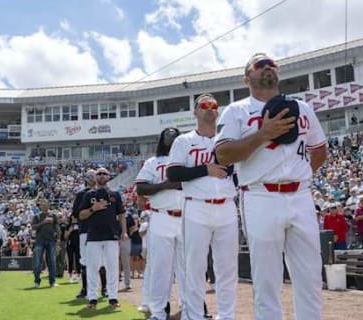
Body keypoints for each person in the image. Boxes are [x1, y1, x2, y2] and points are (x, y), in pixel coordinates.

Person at [215, 53, 328, 320]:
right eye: (259, 65)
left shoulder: (302, 107)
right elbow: (223, 154)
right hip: (260, 196)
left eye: (271, 64)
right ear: (247, 78)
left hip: (300, 195)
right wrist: (264, 133)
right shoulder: (237, 110)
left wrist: (301, 177)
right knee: (267, 280)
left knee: (310, 276)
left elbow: (319, 149)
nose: (267, 67)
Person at [168, 93, 238, 320]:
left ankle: (226, 315)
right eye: (204, 105)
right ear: (195, 111)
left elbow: (239, 171)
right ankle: (194, 315)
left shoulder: (228, 140)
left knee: (227, 268)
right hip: (196, 207)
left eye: (213, 105)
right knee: (195, 267)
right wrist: (205, 169)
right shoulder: (184, 141)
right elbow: (173, 173)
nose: (209, 108)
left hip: (227, 206)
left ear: (217, 111)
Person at [135, 127, 187, 320]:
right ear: (161, 140)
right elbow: (141, 187)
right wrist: (166, 185)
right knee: (160, 268)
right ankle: (158, 312)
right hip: (161, 216)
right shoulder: (153, 162)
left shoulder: (187, 159)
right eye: (167, 135)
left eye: (175, 136)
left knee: (188, 268)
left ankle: (188, 309)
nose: (171, 138)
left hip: (186, 217)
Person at [79, 167, 128, 309]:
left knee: (112, 267)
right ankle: (92, 298)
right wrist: (94, 208)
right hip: (93, 236)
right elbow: (81, 215)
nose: (101, 175)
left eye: (103, 173)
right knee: (92, 267)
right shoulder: (88, 195)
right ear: (95, 177)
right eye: (98, 174)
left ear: (108, 176)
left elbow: (122, 214)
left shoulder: (115, 195)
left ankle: (113, 297)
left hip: (111, 236)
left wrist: (124, 231)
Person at [71, 170, 107, 299]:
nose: (93, 178)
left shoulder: (105, 192)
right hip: (85, 230)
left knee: (102, 260)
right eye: (91, 176)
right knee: (85, 260)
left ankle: (104, 288)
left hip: (101, 230)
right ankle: (85, 289)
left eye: (95, 176)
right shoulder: (81, 194)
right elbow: (76, 213)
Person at [32, 199, 59, 288]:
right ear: (40, 206)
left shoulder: (53, 215)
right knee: (37, 262)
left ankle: (52, 281)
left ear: (48, 205)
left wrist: (57, 237)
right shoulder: (37, 216)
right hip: (40, 241)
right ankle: (37, 281)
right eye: (42, 204)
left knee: (52, 262)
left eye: (46, 204)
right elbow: (33, 227)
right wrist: (43, 222)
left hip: (51, 241)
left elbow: (57, 227)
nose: (44, 206)